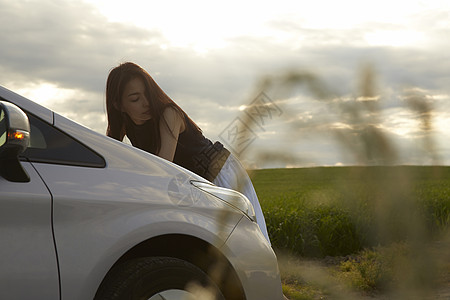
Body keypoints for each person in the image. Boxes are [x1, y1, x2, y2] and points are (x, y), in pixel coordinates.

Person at [105, 62, 270, 243]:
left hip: (219, 174)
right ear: (119, 105)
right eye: (135, 99)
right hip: (193, 185)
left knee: (241, 242)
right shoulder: (124, 125)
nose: (146, 103)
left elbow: (162, 168)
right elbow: (110, 159)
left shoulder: (169, 114)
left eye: (148, 94)